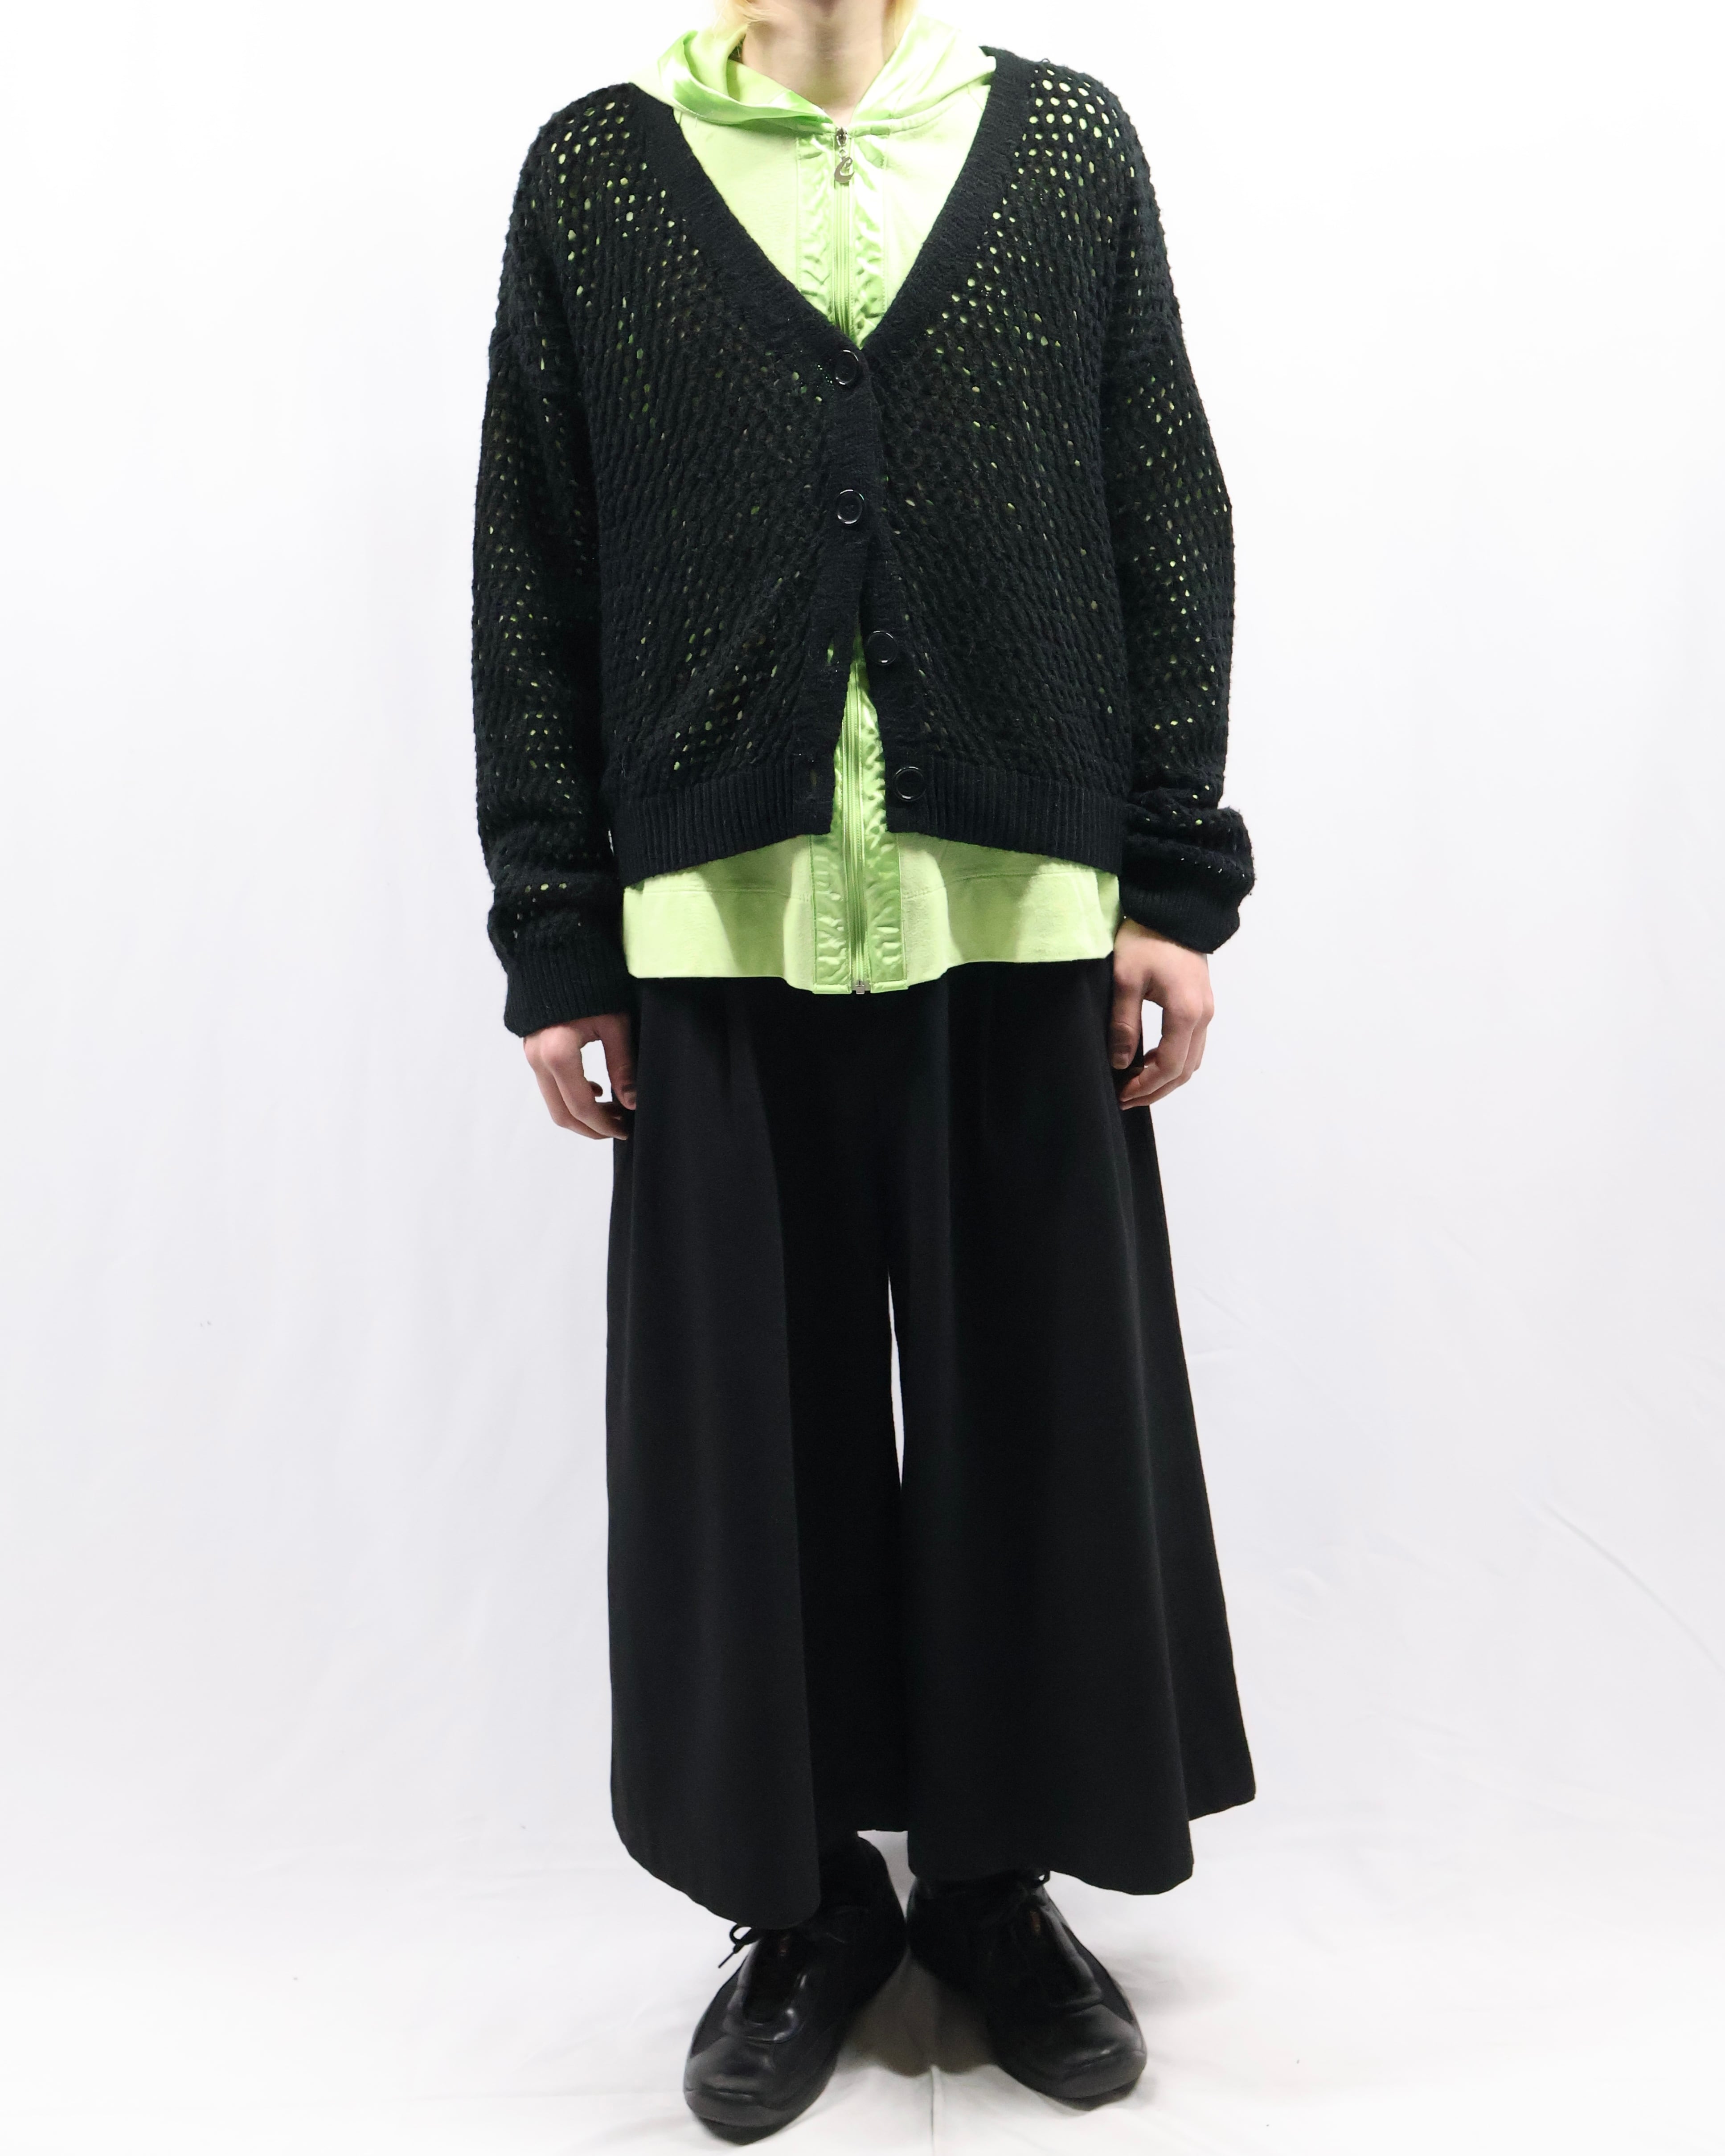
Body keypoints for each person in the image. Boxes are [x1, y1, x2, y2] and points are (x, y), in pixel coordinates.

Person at [471, 0, 1255, 2134]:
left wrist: (1171, 879)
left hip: (1018, 897)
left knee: (1033, 1415)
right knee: (752, 1437)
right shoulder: (599, 174)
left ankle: (992, 1889)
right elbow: (535, 557)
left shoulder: (1063, 149)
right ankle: (808, 1902)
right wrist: (556, 925)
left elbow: (1158, 507)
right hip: (714, 912)